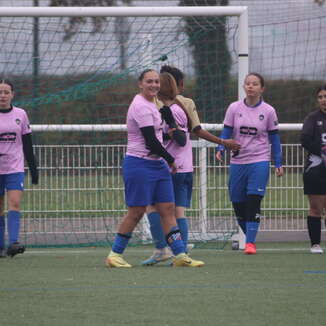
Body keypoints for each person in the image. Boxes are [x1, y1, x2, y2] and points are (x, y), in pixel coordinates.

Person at [141, 65, 241, 265]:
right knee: (178, 212)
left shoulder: (154, 106)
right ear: (179, 84)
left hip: (166, 166)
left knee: (153, 207)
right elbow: (197, 130)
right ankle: (181, 253)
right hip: (186, 166)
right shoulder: (186, 103)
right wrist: (223, 142)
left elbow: (160, 137)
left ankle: (162, 249)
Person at [105, 69, 204, 268]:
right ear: (140, 84)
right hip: (139, 164)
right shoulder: (140, 106)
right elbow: (151, 141)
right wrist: (170, 159)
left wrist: (169, 120)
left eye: (157, 82)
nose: (154, 85)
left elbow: (166, 136)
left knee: (168, 209)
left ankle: (179, 255)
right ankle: (115, 254)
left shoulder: (154, 105)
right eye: (149, 81)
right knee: (137, 211)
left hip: (157, 164)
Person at [216, 73, 284, 254]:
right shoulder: (234, 108)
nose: (250, 87)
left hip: (259, 160)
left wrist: (278, 162)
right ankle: (250, 235)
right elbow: (226, 131)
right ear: (244, 87)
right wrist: (221, 148)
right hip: (238, 161)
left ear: (262, 88)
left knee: (254, 199)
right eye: (248, 84)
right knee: (238, 202)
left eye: (255, 84)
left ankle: (250, 243)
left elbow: (275, 139)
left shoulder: (268, 111)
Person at [0, 79, 38, 258]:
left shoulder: (21, 114)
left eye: (6, 92)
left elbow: (27, 144)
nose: (3, 96)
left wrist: (34, 168)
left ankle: (13, 242)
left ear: (12, 95)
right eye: (0, 92)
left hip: (14, 168)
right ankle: (1, 246)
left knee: (14, 203)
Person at [300, 85, 326, 254]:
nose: (324, 99)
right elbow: (305, 140)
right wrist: (322, 151)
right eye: (320, 97)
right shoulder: (312, 118)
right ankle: (315, 244)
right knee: (316, 208)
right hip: (316, 170)